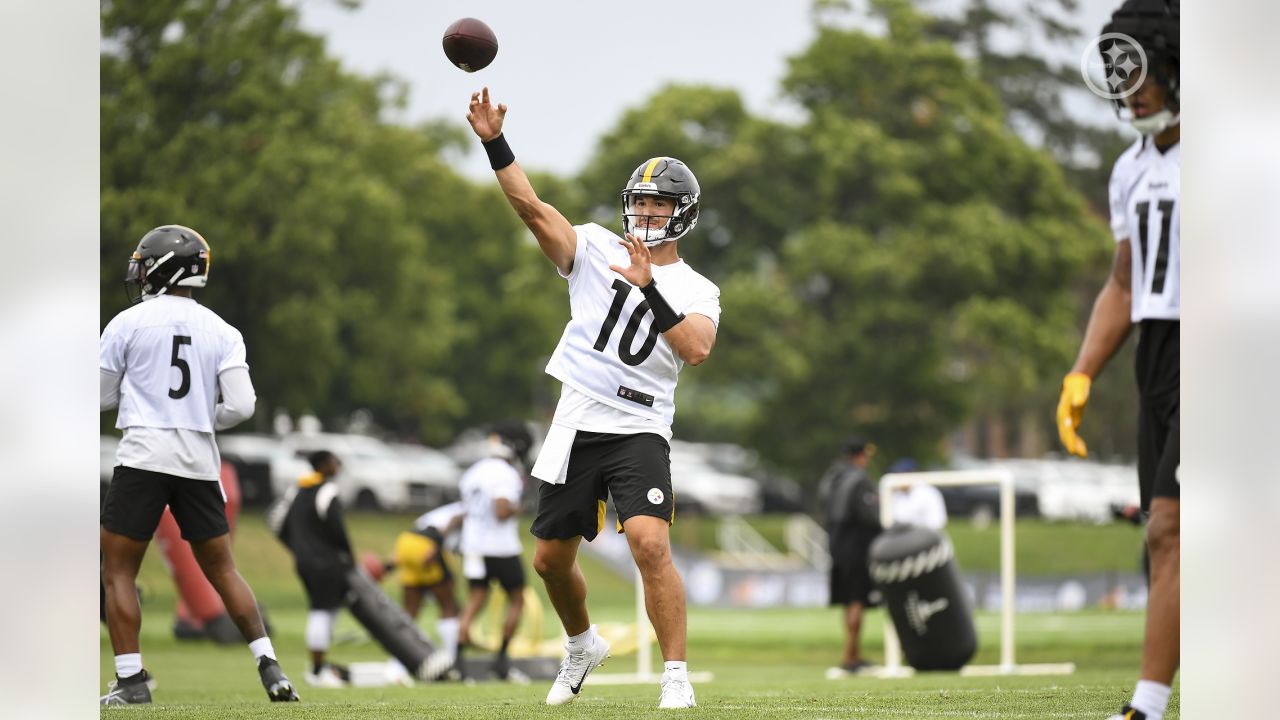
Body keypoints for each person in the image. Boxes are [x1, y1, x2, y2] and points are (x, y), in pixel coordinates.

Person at [465, 87, 720, 708]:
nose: (646, 214)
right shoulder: (595, 247)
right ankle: (582, 644)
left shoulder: (697, 286)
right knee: (549, 562)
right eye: (640, 203)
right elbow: (529, 207)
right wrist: (494, 141)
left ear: (682, 213)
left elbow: (695, 349)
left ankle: (676, 677)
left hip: (640, 425)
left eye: (659, 205)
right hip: (578, 418)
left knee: (649, 543)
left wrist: (649, 287)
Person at [99, 224, 299, 704]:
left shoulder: (127, 322)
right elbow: (243, 406)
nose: (141, 272)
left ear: (163, 268)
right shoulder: (223, 330)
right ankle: (270, 666)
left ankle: (131, 683)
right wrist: (200, 416)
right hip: (198, 461)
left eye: (146, 263)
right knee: (223, 568)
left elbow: (101, 396)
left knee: (119, 570)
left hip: (144, 456)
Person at [1055, 3, 1179, 718]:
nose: (1129, 85)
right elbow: (1125, 284)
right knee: (1163, 541)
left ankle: (1146, 706)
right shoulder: (1130, 169)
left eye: (1142, 69)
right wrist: (1082, 373)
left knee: (1172, 526)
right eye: (1118, 70)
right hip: (1156, 358)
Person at [271, 450, 355, 688]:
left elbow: (276, 522)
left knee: (324, 609)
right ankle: (317, 671)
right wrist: (348, 555)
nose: (337, 465)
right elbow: (337, 528)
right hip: (326, 561)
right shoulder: (327, 490)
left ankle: (319, 667)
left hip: (304, 560)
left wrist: (297, 546)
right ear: (324, 465)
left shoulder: (296, 489)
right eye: (335, 461)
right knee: (322, 612)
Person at [456, 422, 534, 681]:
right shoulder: (505, 474)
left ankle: (457, 659)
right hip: (500, 547)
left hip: (473, 546)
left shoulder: (474, 472)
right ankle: (501, 660)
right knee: (517, 599)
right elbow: (501, 511)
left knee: (475, 599)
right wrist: (521, 508)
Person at [815, 437, 882, 675]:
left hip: (835, 546)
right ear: (859, 456)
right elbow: (871, 517)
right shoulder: (860, 480)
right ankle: (850, 656)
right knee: (857, 600)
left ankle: (853, 653)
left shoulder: (830, 478)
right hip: (857, 548)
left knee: (848, 601)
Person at [391, 499, 465, 681]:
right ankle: (452, 662)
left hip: (406, 542)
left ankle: (395, 668)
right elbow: (457, 518)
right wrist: (438, 544)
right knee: (448, 606)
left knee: (410, 612)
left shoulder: (444, 510)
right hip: (428, 545)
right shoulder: (470, 507)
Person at [885, 458, 947, 531]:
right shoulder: (897, 495)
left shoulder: (928, 492)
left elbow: (938, 523)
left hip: (929, 538)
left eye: (899, 474)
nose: (897, 478)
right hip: (903, 538)